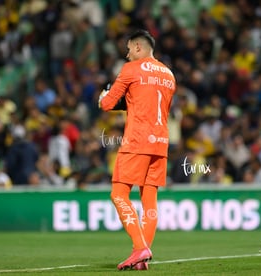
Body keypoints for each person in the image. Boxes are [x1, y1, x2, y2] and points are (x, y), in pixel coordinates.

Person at [99, 29, 176, 271]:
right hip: (161, 142)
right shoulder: (168, 74)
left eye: (129, 48)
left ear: (139, 47)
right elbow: (149, 103)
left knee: (118, 194)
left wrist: (102, 97)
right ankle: (141, 257)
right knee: (149, 198)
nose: (127, 54)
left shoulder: (131, 70)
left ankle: (140, 247)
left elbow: (108, 103)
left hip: (137, 140)